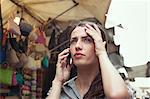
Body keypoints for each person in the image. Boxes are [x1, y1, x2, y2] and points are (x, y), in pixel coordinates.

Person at [46, 20, 131, 99]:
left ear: (100, 46)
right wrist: (58, 81)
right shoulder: (61, 90)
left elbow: (117, 96)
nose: (77, 46)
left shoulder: (112, 85)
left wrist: (102, 53)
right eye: (74, 41)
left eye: (87, 40)